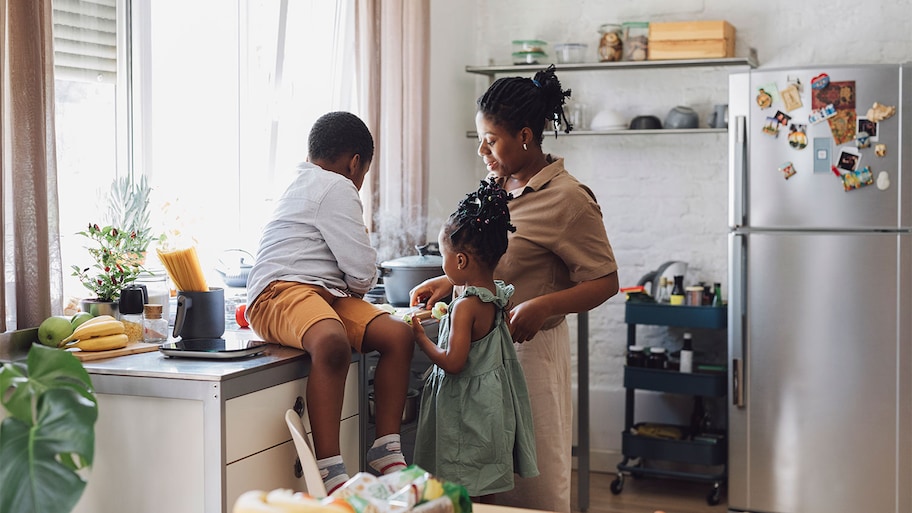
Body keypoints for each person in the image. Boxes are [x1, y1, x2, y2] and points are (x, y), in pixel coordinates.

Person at [410, 65, 619, 512]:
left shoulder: (569, 199)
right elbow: (488, 260)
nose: (483, 150)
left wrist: (542, 306)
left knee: (532, 482)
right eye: (480, 139)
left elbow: (605, 280)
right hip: (481, 351)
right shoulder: (494, 187)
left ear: (525, 135)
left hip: (530, 354)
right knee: (482, 473)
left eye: (492, 139)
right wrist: (450, 280)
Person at [245, 111, 415, 494]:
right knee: (332, 342)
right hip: (279, 291)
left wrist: (349, 286)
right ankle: (329, 468)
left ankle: (385, 448)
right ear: (355, 163)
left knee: (397, 335)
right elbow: (361, 271)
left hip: (324, 293)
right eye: (363, 174)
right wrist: (357, 282)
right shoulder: (337, 186)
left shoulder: (301, 181)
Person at [410, 178, 538, 503]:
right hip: (490, 407)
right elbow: (489, 342)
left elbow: (454, 363)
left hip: (465, 411)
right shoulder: (496, 294)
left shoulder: (466, 306)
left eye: (443, 256)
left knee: (459, 481)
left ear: (461, 261)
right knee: (482, 480)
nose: (443, 264)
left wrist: (421, 339)